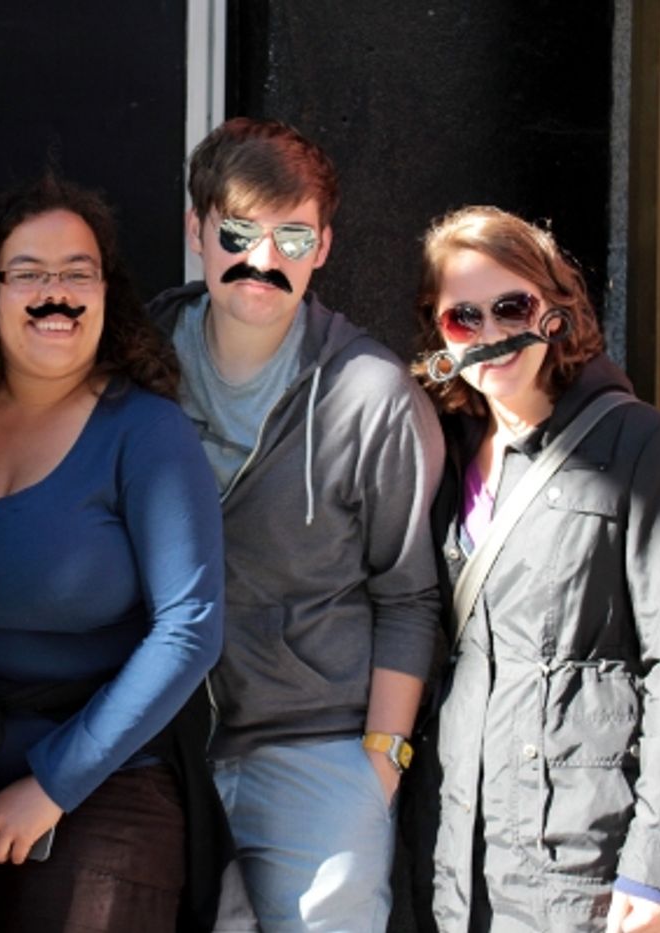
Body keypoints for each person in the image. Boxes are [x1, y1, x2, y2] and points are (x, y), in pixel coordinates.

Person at [0, 173, 227, 933]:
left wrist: (54, 784)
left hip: (101, 781)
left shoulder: (145, 432)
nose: (57, 293)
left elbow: (191, 627)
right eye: (30, 274)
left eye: (79, 273)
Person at [147, 117, 444, 933]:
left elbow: (409, 594)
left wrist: (380, 763)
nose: (263, 259)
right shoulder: (136, 364)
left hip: (315, 748)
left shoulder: (370, 392)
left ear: (325, 246)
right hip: (158, 745)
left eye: (292, 236)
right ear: (197, 232)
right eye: (238, 233)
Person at [407, 205, 660, 933]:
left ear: (555, 307)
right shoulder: (446, 454)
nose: (492, 334)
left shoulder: (643, 445)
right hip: (463, 860)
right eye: (465, 318)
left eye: (511, 305)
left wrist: (659, 864)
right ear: (440, 332)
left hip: (588, 867)